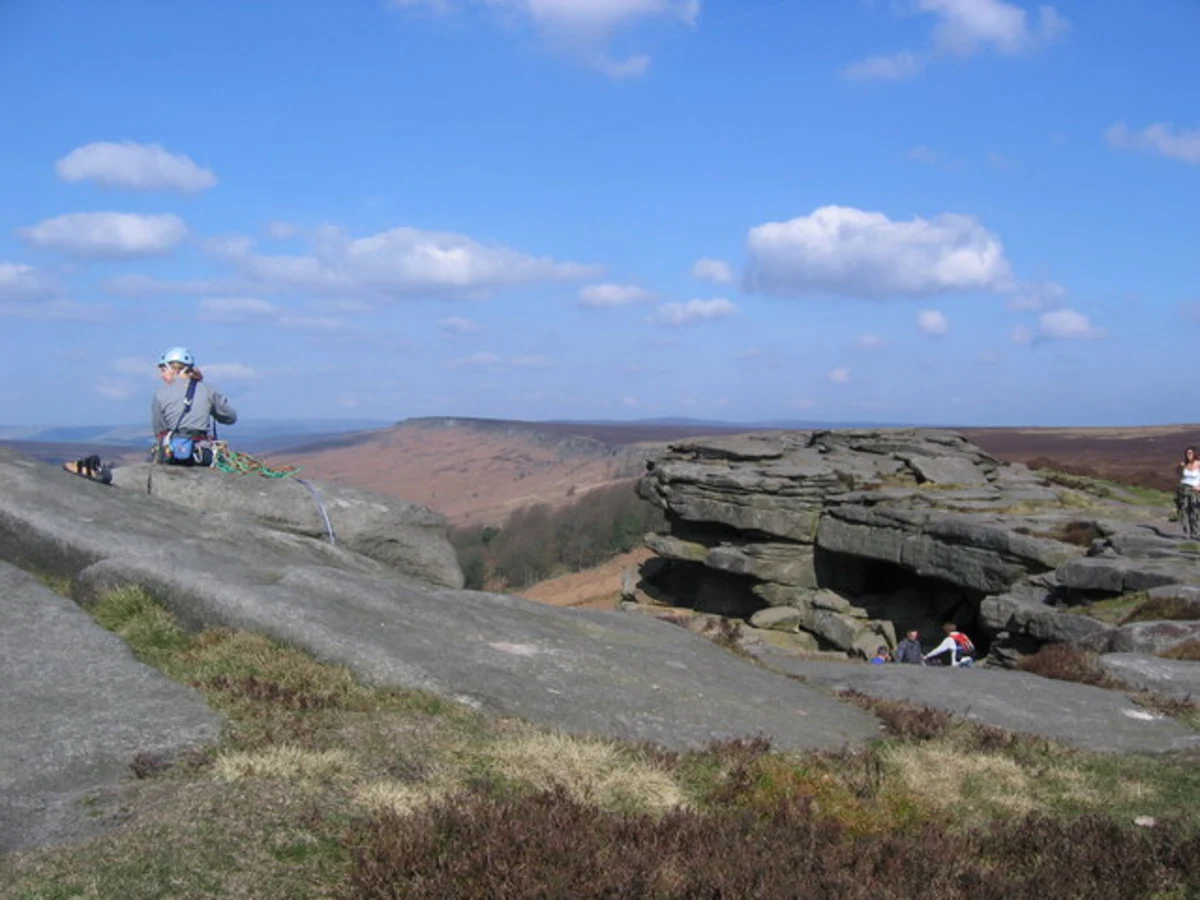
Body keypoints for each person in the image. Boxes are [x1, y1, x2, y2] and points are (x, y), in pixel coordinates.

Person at [152, 346, 237, 466]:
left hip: (171, 455)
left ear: (173, 369)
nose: (162, 375)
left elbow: (159, 430)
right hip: (201, 454)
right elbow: (230, 417)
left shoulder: (160, 394)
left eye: (163, 370)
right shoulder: (208, 391)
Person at [1176, 446, 1200, 538]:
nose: (1188, 455)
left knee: (1195, 511)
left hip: (1194, 489)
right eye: (1187, 453)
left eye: (1190, 453)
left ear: (1194, 454)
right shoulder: (1185, 464)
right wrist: (1179, 467)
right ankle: (1186, 532)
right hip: (1183, 488)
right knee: (1184, 510)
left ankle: (1196, 532)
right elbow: (1179, 473)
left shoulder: (1198, 464)